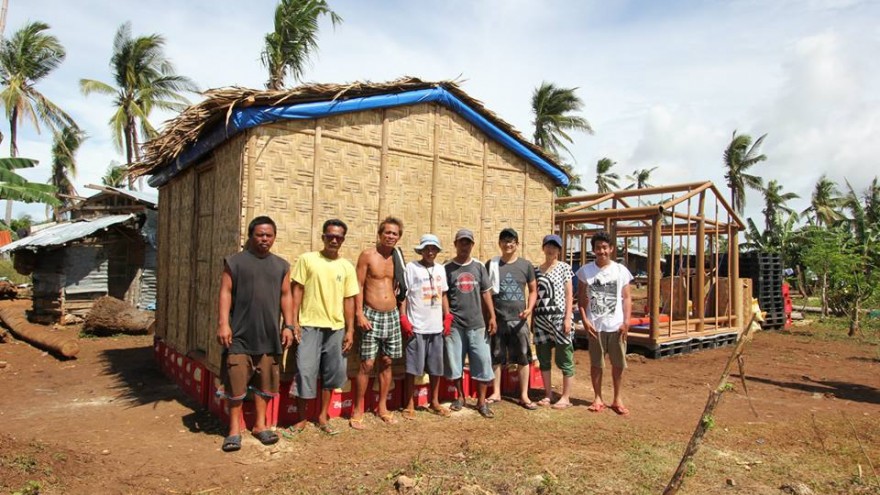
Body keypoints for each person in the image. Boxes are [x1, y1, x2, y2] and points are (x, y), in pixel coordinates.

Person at [216, 216, 294, 452]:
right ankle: (233, 430)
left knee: (265, 383)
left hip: (269, 335)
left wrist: (289, 325)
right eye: (260, 235)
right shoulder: (236, 262)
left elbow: (286, 296)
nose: (264, 239)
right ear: (251, 236)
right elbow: (225, 292)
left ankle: (260, 426)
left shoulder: (281, 266)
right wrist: (223, 323)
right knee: (236, 383)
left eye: (269, 235)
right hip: (239, 334)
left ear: (274, 237)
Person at [289, 219, 360, 435]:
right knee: (305, 371)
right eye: (330, 236)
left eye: (338, 237)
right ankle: (301, 418)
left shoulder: (346, 266)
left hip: (336, 328)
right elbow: (297, 290)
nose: (334, 240)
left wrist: (350, 330)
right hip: (310, 325)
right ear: (323, 237)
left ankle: (322, 416)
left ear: (343, 240)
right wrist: (294, 322)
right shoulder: (307, 260)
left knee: (332, 373)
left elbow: (349, 299)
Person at [350, 217, 405, 429]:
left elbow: (402, 288)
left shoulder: (397, 258)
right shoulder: (367, 256)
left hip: (391, 314)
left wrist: (402, 314)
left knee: (388, 361)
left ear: (399, 237)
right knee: (367, 363)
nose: (391, 236)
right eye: (387, 232)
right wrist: (359, 314)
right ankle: (358, 408)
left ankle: (382, 406)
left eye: (395, 234)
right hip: (371, 314)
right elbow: (359, 285)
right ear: (380, 234)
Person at [576, 231, 633, 416]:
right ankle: (598, 397)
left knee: (618, 364)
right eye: (598, 248)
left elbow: (626, 297)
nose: (602, 251)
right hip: (595, 327)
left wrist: (626, 322)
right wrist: (585, 320)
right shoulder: (586, 271)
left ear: (611, 249)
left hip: (616, 326)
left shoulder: (620, 270)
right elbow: (582, 300)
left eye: (605, 247)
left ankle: (617, 398)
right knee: (596, 364)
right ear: (593, 250)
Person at [444, 228, 498, 418]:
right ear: (455, 244)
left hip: (478, 324)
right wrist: (447, 318)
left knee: (483, 362)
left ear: (472, 245)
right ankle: (460, 396)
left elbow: (486, 292)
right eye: (461, 242)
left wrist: (492, 316)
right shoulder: (447, 267)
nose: (464, 246)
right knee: (455, 362)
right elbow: (443, 295)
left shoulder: (479, 267)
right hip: (456, 326)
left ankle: (482, 402)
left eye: (468, 242)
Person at [401, 234, 452, 419]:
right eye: (427, 248)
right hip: (417, 327)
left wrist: (447, 316)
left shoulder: (440, 269)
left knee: (436, 368)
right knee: (413, 368)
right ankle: (409, 403)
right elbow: (404, 295)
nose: (430, 252)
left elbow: (444, 293)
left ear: (437, 251)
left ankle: (435, 401)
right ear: (421, 250)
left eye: (434, 249)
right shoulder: (412, 268)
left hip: (436, 327)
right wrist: (404, 319)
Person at [486, 228, 538, 410]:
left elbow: (533, 290)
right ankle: (496, 392)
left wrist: (529, 309)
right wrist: (490, 316)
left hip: (520, 320)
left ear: (517, 244)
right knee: (496, 356)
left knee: (523, 357)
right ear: (499, 244)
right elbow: (486, 293)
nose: (508, 244)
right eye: (504, 241)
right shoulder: (491, 265)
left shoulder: (526, 265)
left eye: (511, 241)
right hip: (499, 319)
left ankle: (524, 395)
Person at [532, 234, 575, 409]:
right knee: (543, 357)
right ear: (543, 248)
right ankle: (548, 394)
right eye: (548, 246)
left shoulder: (564, 268)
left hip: (559, 317)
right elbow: (534, 295)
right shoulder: (536, 271)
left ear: (558, 250)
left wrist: (567, 317)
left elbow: (569, 295)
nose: (551, 249)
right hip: (541, 318)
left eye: (554, 247)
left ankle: (566, 397)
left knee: (565, 355)